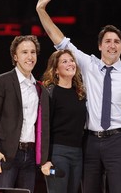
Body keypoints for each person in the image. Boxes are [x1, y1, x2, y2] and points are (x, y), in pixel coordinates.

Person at [36, 0, 121, 193]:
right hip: (88, 143)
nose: (112, 45)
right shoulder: (88, 64)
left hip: (118, 141)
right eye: (107, 41)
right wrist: (41, 11)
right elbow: (59, 41)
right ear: (99, 46)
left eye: (116, 42)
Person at [0, 35, 50, 193]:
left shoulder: (40, 88)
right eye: (24, 52)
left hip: (30, 156)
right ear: (15, 56)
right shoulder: (0, 82)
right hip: (6, 155)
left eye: (33, 52)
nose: (30, 56)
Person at [39, 49, 87, 193]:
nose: (70, 64)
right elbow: (43, 127)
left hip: (78, 154)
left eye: (71, 60)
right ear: (56, 70)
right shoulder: (50, 92)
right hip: (57, 153)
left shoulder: (80, 93)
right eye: (64, 61)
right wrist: (45, 160)